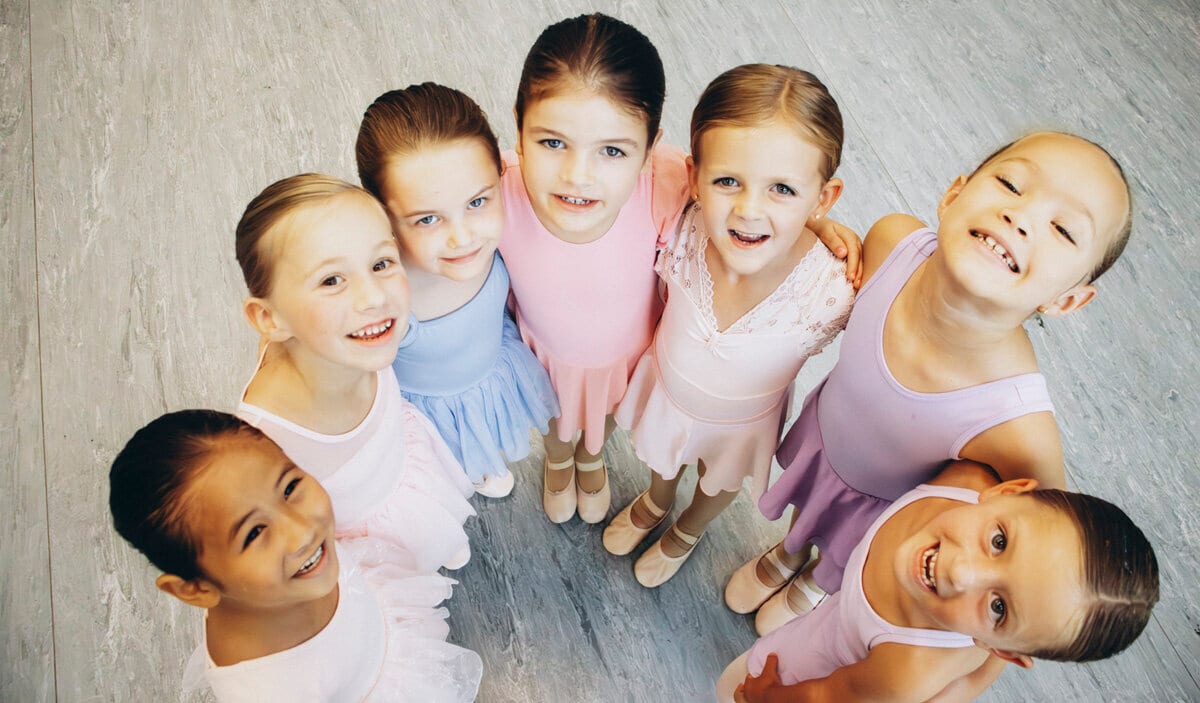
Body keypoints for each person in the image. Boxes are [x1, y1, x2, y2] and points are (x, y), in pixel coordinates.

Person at [729, 131, 1134, 634]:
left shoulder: (1015, 420)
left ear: (1067, 300)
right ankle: (787, 555)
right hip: (828, 441)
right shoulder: (892, 242)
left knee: (843, 539)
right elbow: (831, 279)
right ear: (953, 195)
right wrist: (823, 233)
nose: (1022, 217)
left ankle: (816, 580)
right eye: (1010, 184)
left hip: (877, 505)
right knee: (812, 507)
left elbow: (1049, 531)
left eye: (1064, 230)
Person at [501, 13, 860, 524]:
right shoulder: (496, 195)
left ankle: (591, 455)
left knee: (600, 414)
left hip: (623, 358)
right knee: (555, 416)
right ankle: (559, 461)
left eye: (611, 150)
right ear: (518, 128)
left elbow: (738, 190)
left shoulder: (664, 184)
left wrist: (817, 225)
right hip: (544, 353)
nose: (577, 176)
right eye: (552, 142)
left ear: (650, 150)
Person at [603, 64, 856, 588]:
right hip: (672, 394)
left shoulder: (833, 290)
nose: (748, 209)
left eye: (782, 189)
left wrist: (820, 226)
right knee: (664, 457)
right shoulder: (682, 222)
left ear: (823, 199)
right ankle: (657, 499)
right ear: (695, 178)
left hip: (740, 426)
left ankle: (688, 530)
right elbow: (632, 156)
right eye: (726, 181)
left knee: (718, 483)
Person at [109, 410, 482, 702]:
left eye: (289, 487)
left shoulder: (300, 564)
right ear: (194, 589)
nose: (302, 529)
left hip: (375, 635)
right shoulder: (265, 692)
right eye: (254, 532)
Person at [716, 460, 1158, 703]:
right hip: (839, 614)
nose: (961, 573)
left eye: (998, 607)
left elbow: (827, 696)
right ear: (1007, 492)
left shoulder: (906, 672)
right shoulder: (965, 478)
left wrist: (770, 699)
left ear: (997, 649)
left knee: (732, 687)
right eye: (999, 541)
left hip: (814, 670)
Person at [234, 174, 475, 573]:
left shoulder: (355, 341)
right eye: (331, 280)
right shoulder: (263, 440)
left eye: (381, 263)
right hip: (364, 538)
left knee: (433, 532)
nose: (375, 297)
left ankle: (434, 535)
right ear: (269, 317)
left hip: (400, 464)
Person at [356, 82, 559, 498]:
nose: (462, 238)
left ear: (499, 174)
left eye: (477, 202)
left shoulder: (505, 232)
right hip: (428, 413)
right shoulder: (381, 297)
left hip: (490, 373)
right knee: (435, 475)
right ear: (381, 213)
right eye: (428, 220)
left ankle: (479, 463)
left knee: (482, 446)